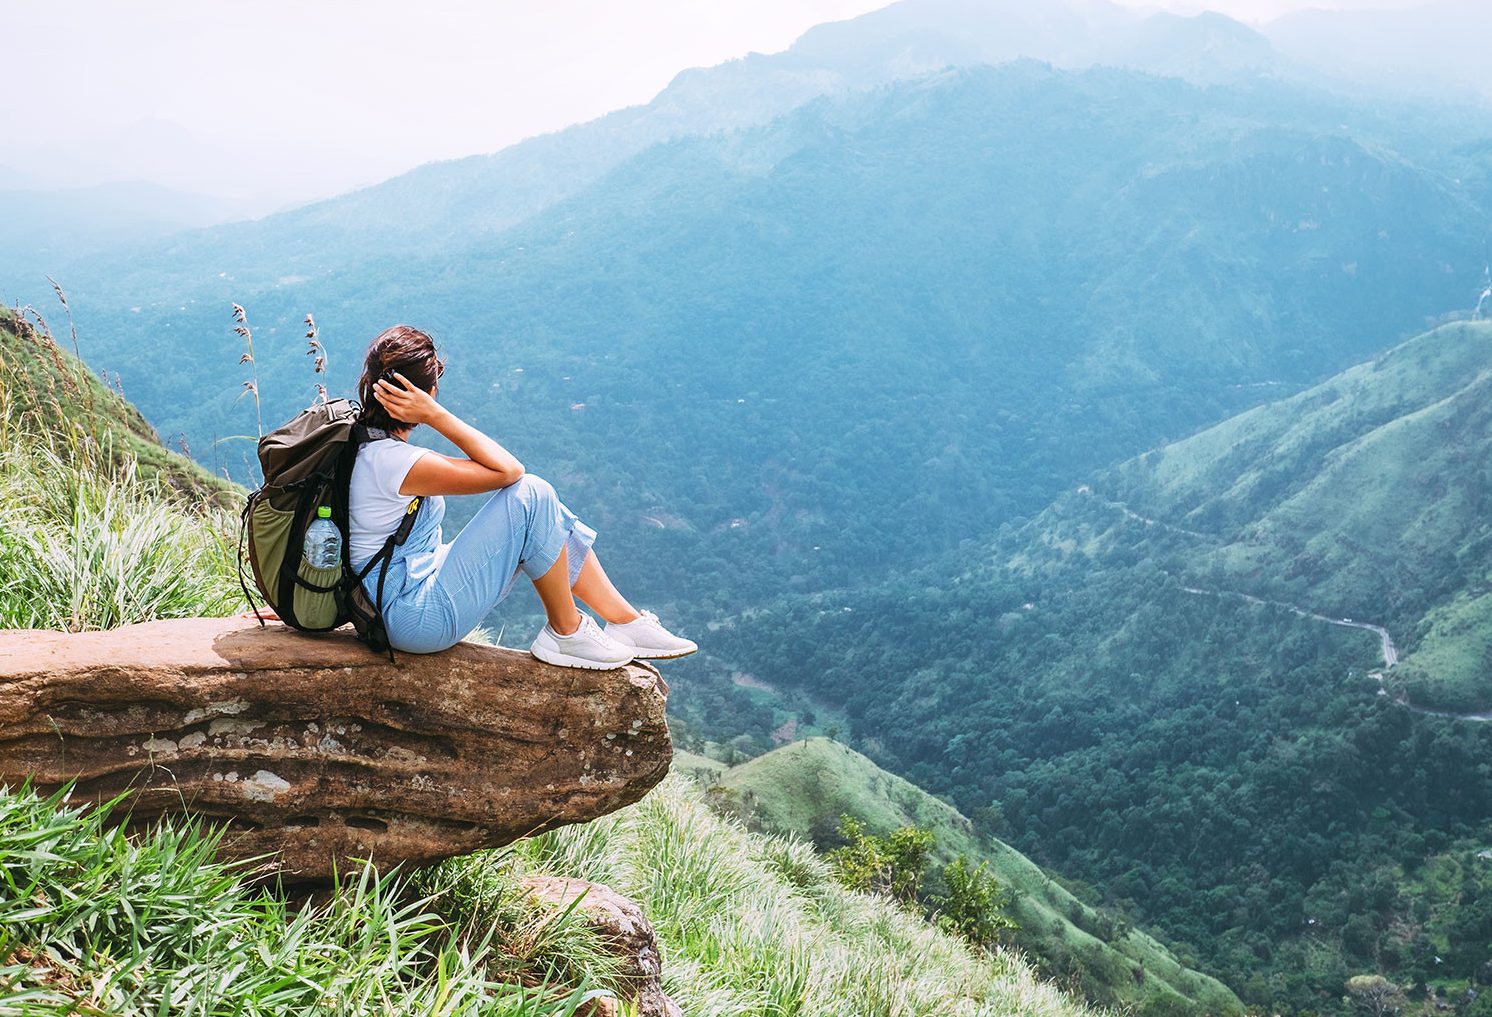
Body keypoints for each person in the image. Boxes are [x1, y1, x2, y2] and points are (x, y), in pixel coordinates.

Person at [344, 324, 695, 668]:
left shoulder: (364, 445)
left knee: (547, 512)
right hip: (412, 617)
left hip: (401, 592)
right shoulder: (393, 462)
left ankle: (626, 622)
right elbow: (509, 472)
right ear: (426, 394)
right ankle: (565, 631)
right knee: (532, 495)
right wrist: (437, 417)